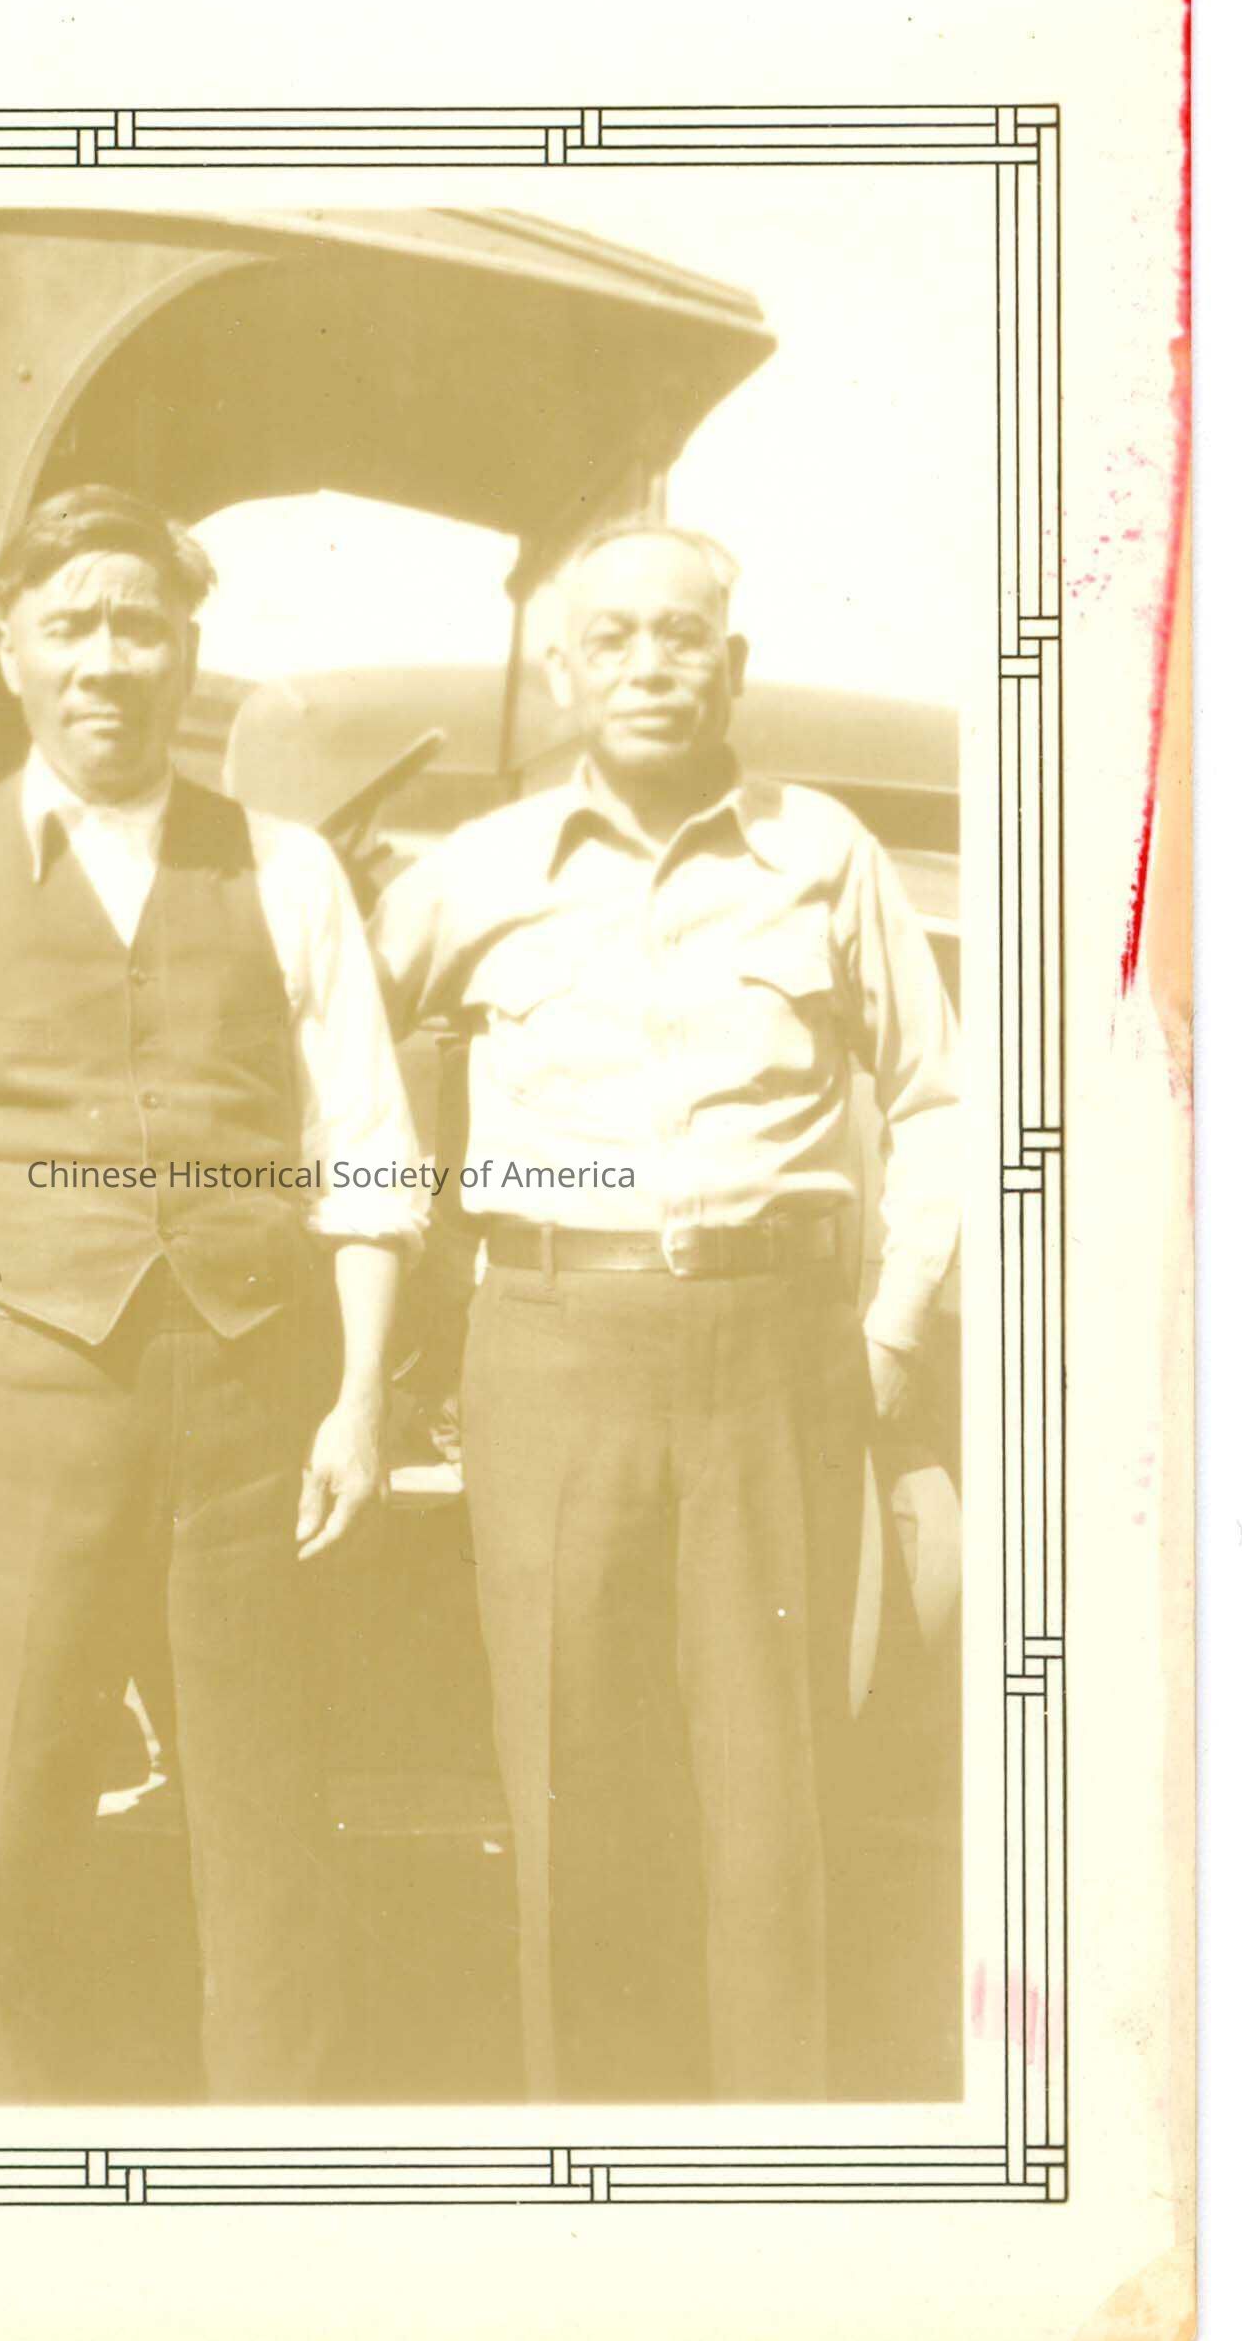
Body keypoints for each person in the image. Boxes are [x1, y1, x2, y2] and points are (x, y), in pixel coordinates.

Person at [0, 484, 427, 2102]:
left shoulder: (287, 870)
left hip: (248, 1404)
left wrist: (357, 1403)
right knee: (4, 1816)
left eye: (138, 626)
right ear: (10, 649)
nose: (105, 660)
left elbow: (369, 1153)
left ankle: (266, 2171)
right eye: (69, 624)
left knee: (268, 1825)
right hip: (17, 1393)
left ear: (186, 652)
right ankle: (8, 2162)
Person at [369, 524, 960, 2101]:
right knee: (575, 1805)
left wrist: (892, 1323)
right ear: (565, 673)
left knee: (772, 1813)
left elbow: (941, 1095)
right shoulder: (477, 870)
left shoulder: (822, 853)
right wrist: (389, 1274)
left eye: (681, 636)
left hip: (774, 1356)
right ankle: (597, 2179)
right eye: (613, 638)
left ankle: (766, 2177)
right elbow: (338, 1055)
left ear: (731, 665)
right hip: (551, 1347)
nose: (648, 666)